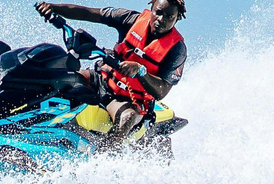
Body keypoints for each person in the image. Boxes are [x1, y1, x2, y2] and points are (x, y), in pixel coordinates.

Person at [35, 1, 187, 145]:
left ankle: (102, 161)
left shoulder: (177, 50)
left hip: (126, 100)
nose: (161, 19)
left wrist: (141, 71)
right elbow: (89, 13)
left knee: (128, 117)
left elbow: (162, 91)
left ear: (177, 18)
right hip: (101, 80)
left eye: (169, 17)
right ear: (151, 8)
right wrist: (52, 8)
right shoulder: (131, 19)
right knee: (60, 77)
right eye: (158, 13)